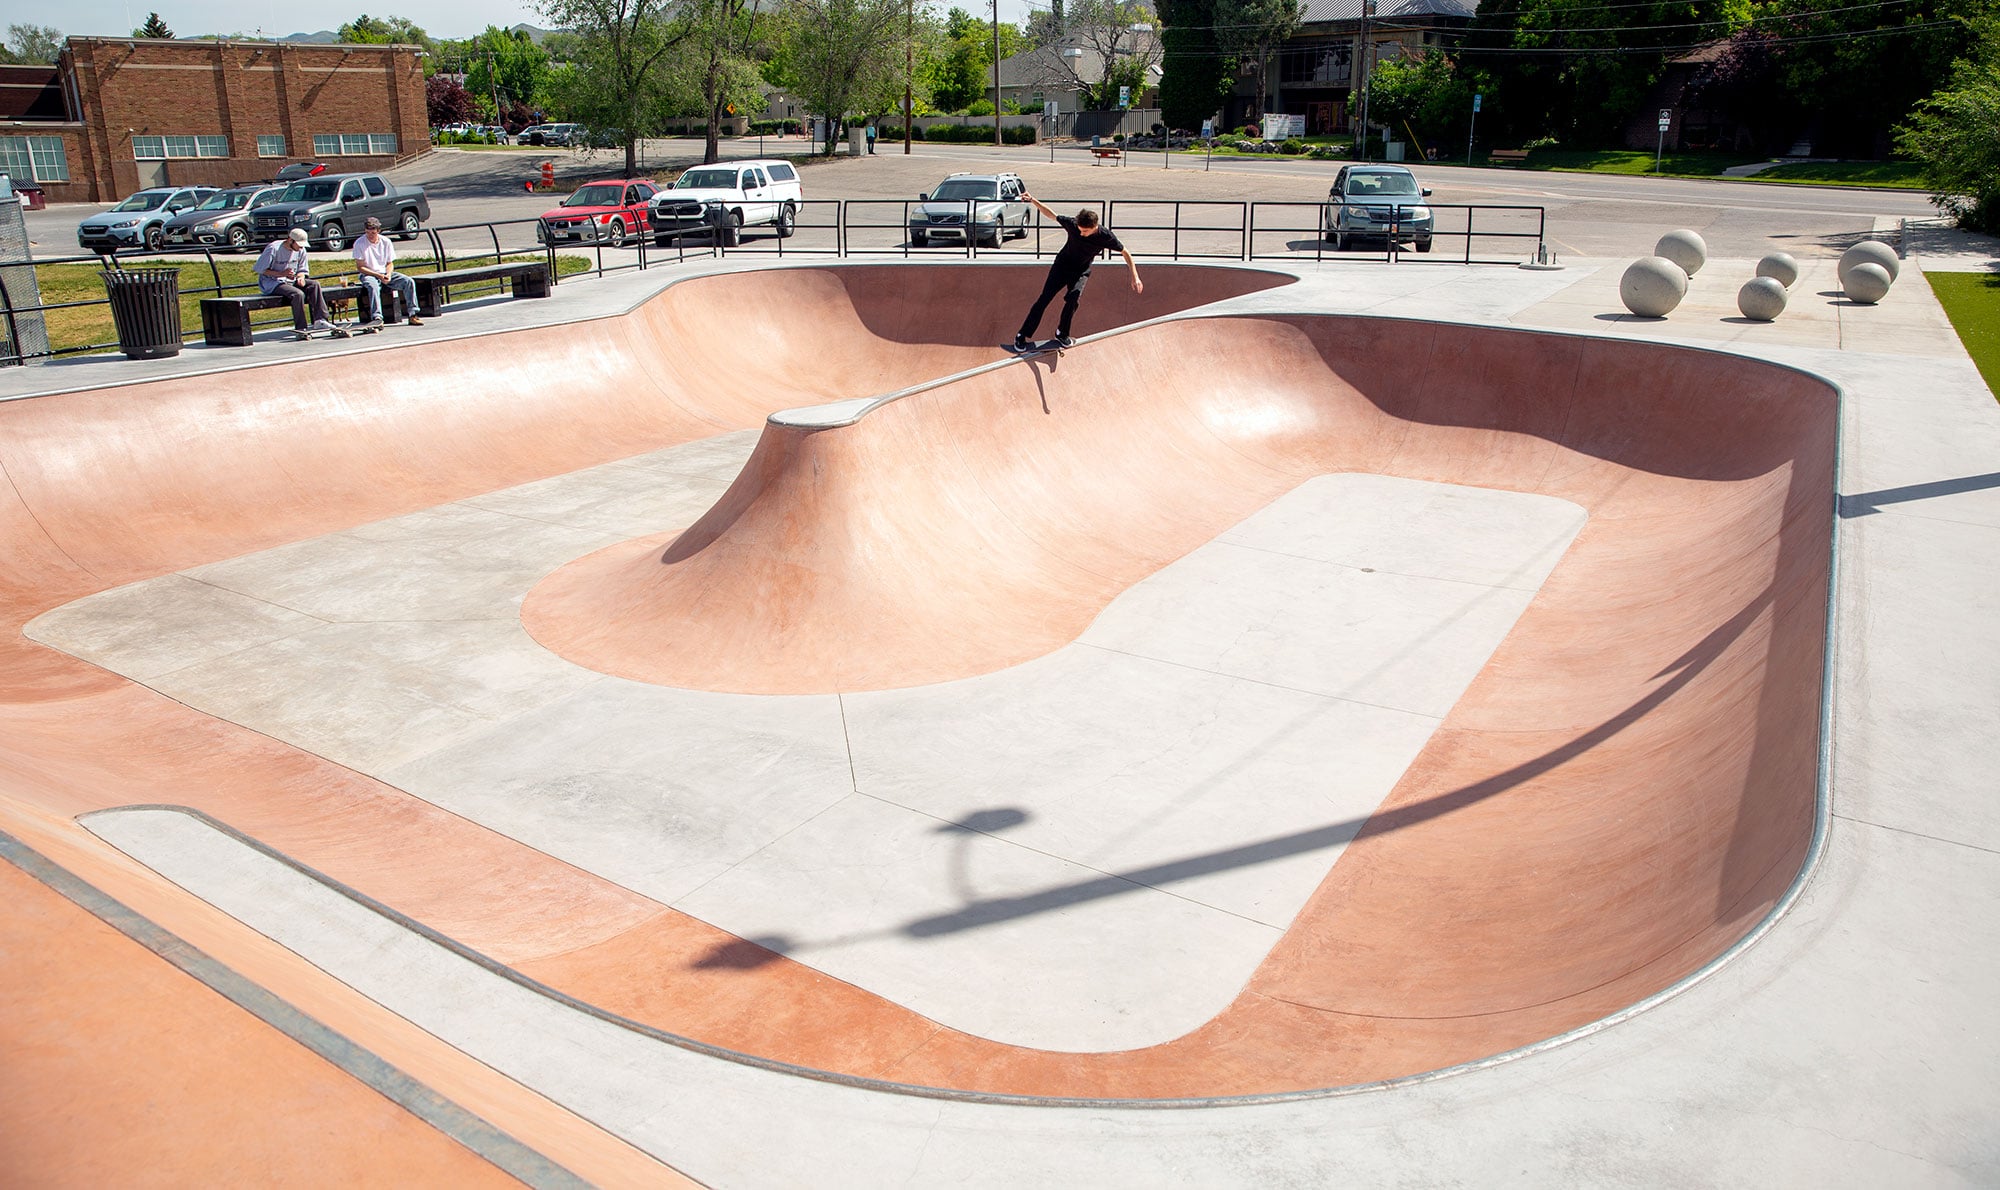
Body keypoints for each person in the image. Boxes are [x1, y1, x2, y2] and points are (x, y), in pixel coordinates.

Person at [1013, 193, 1141, 350]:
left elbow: (1125, 252)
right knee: (1044, 299)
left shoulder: (1105, 236)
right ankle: (1022, 335)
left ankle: (1062, 333)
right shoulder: (1073, 224)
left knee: (1073, 299)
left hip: (1081, 271)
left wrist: (1135, 277)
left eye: (1085, 231)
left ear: (1094, 227)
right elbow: (1052, 214)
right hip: (1061, 267)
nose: (1081, 234)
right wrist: (1033, 200)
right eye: (1080, 230)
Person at [255, 227, 336, 339]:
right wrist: (281, 273)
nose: (301, 247)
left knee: (314, 285)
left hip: (290, 280)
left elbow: (302, 269)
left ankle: (320, 320)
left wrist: (301, 277)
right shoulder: (273, 248)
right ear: (290, 240)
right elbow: (260, 269)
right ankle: (301, 327)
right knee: (297, 294)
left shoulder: (301, 250)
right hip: (272, 282)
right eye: (298, 244)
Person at [351, 216, 422, 327]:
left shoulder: (386, 242)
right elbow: (360, 267)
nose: (370, 235)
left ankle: (413, 314)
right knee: (373, 286)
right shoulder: (359, 243)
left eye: (373, 233)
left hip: (384, 272)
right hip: (369, 274)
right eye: (367, 232)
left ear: (378, 231)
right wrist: (378, 275)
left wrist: (388, 274)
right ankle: (377, 317)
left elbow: (390, 263)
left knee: (408, 281)